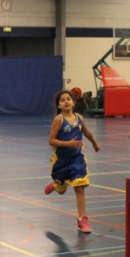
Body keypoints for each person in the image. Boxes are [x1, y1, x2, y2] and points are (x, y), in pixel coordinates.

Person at [43, 89, 102, 234]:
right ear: (59, 105)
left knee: (80, 187)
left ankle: (82, 220)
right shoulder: (59, 120)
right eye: (62, 100)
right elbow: (51, 140)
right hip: (61, 160)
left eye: (68, 99)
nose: (66, 102)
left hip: (77, 159)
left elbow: (87, 132)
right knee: (62, 191)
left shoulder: (79, 118)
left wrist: (94, 143)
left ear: (73, 102)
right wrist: (68, 144)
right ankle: (56, 184)